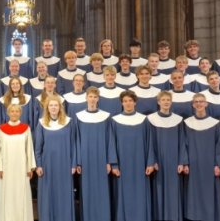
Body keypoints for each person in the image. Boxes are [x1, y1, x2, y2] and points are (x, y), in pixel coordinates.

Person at [109, 90, 156, 221]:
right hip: (122, 165)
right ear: (121, 103)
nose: (128, 103)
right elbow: (111, 143)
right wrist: (114, 164)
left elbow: (149, 142)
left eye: (130, 100)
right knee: (123, 194)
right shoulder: (115, 120)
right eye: (125, 101)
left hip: (140, 163)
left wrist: (150, 163)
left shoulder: (143, 120)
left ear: (135, 102)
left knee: (140, 193)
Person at [182, 93, 220, 221]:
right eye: (196, 102)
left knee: (210, 192)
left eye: (201, 101)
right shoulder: (187, 123)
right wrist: (185, 162)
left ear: (206, 104)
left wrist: (218, 164)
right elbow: (184, 144)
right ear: (193, 105)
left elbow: (219, 144)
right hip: (193, 164)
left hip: (210, 163)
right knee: (193, 192)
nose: (199, 104)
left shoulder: (215, 123)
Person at [34, 96, 76, 221]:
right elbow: (38, 148)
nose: (53, 107)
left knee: (63, 193)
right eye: (51, 105)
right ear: (47, 108)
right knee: (48, 195)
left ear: (60, 107)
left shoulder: (68, 122)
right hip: (47, 165)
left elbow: (74, 145)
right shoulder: (42, 123)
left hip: (65, 164)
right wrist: (39, 165)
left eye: (56, 105)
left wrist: (73, 164)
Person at [146, 90, 186, 221]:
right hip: (158, 161)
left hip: (174, 160)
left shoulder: (178, 120)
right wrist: (152, 160)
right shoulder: (151, 119)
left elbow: (182, 142)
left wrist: (181, 161)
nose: (166, 102)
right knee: (158, 189)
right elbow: (149, 141)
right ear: (158, 102)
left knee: (174, 190)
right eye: (163, 100)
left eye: (168, 100)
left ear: (171, 102)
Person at [75, 88, 112, 221]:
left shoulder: (106, 116)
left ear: (98, 99)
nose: (92, 99)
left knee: (102, 190)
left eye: (94, 97)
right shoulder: (79, 116)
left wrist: (109, 161)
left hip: (102, 158)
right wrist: (78, 161)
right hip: (85, 160)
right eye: (90, 96)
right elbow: (77, 140)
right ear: (86, 98)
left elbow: (110, 140)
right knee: (87, 190)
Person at [0, 104, 36, 221]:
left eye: (17, 111)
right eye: (12, 111)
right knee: (7, 196)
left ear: (20, 113)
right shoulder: (1, 129)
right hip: (6, 169)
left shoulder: (26, 128)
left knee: (21, 195)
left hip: (22, 168)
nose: (14, 113)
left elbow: (29, 148)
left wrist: (30, 167)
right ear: (8, 113)